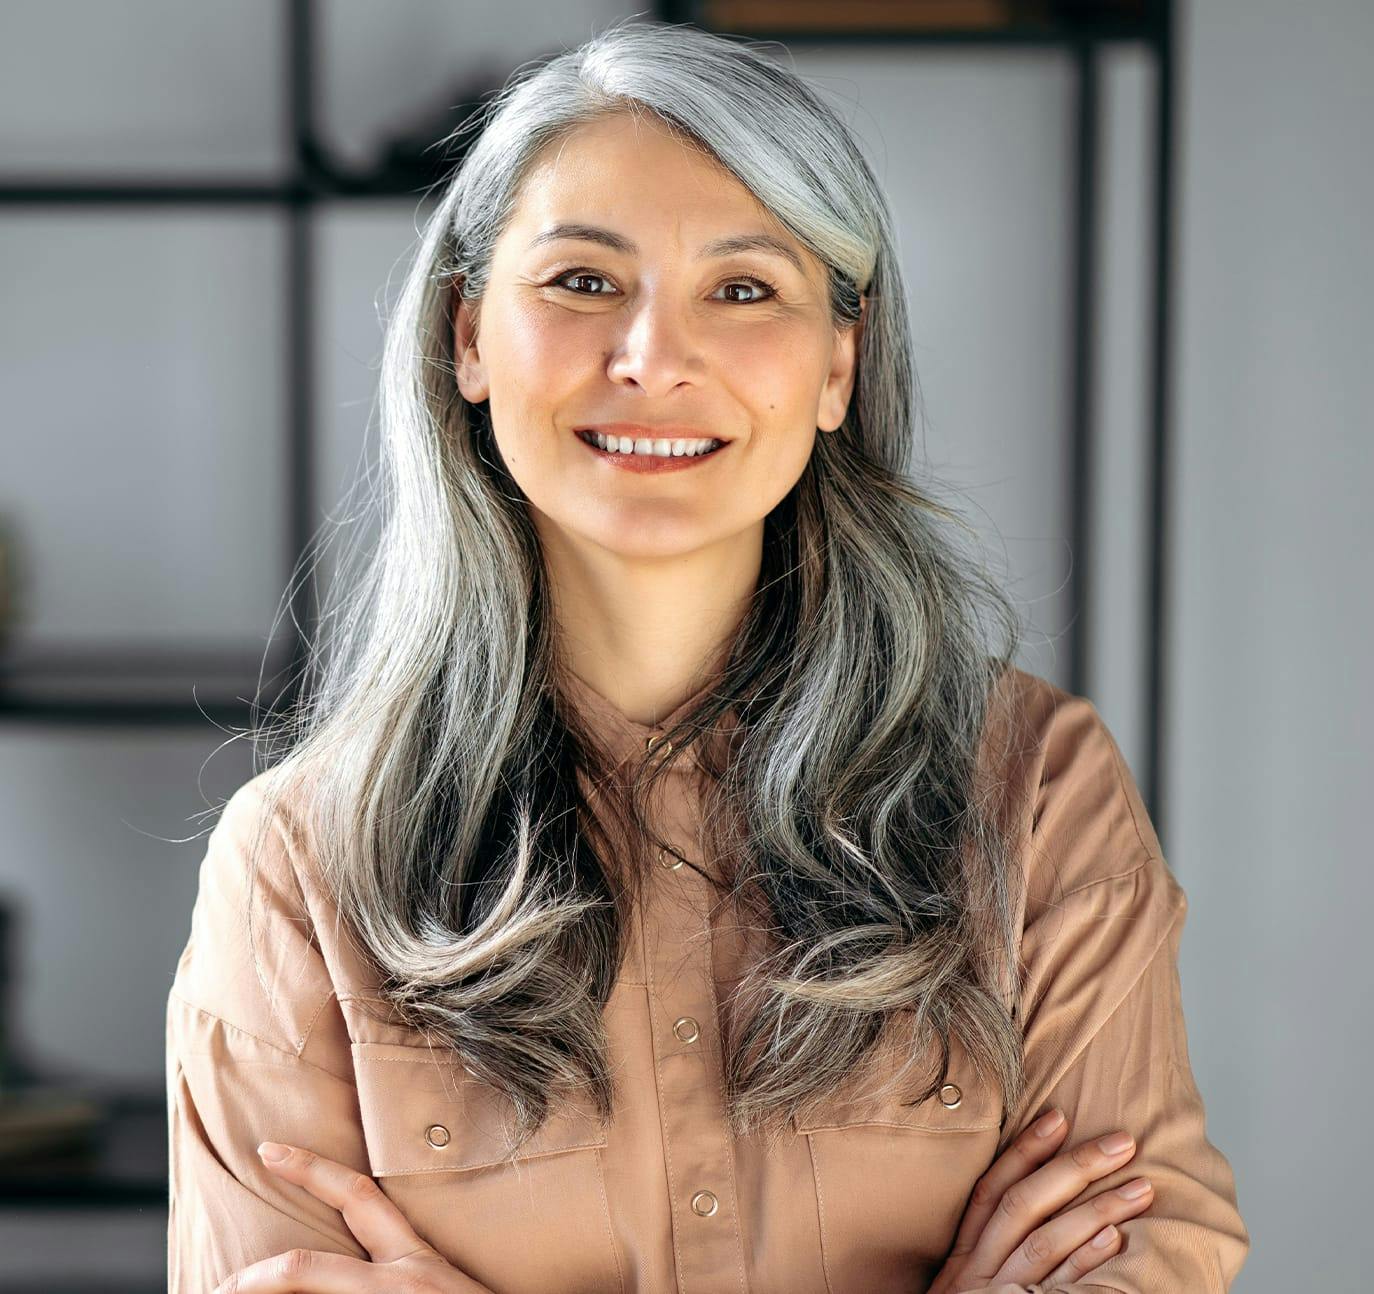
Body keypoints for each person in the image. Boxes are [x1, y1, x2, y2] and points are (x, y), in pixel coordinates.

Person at [166, 18, 1248, 1294]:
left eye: (743, 291)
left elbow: (1142, 1255)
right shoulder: (299, 866)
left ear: (838, 360)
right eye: (581, 282)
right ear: (467, 336)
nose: (652, 360)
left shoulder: (1037, 793)